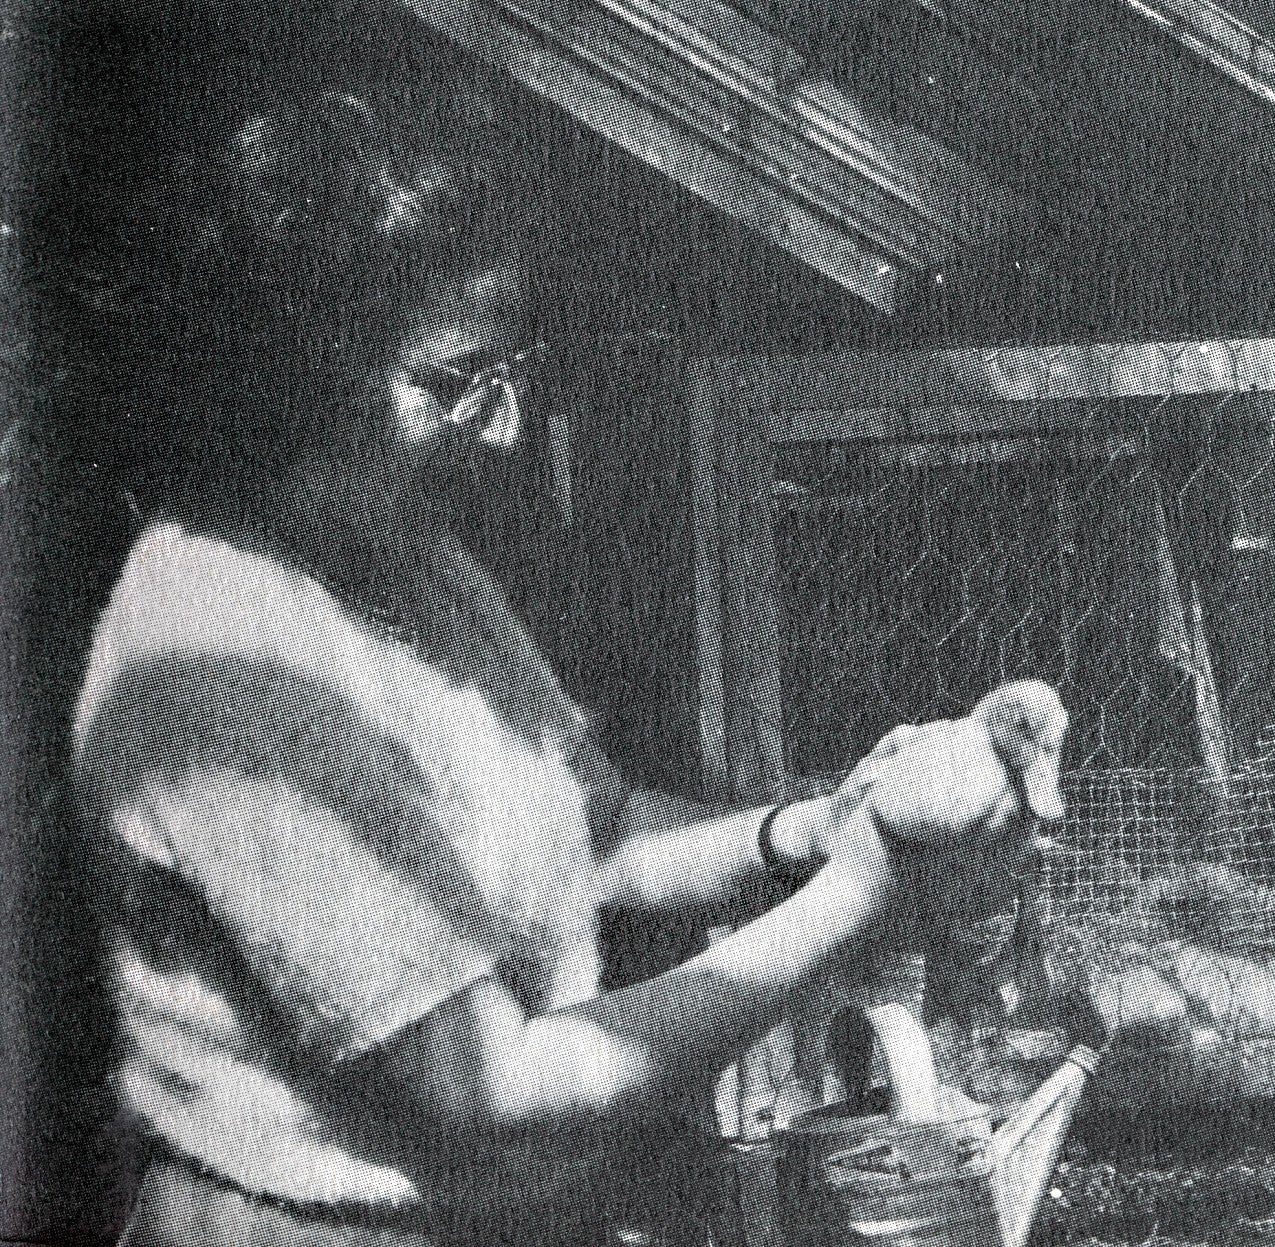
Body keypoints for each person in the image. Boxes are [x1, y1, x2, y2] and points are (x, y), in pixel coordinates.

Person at [64, 38, 1067, 1247]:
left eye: (512, 369)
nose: (506, 429)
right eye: (458, 378)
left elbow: (590, 832)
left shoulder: (415, 571)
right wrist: (849, 898)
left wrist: (812, 824)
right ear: (304, 372)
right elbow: (497, 1098)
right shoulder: (218, 664)